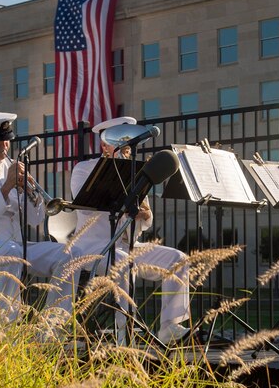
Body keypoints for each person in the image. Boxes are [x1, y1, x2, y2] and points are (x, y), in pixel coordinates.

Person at [69, 116, 191, 344]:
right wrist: (126, 206)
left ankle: (170, 326)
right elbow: (87, 205)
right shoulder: (84, 169)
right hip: (94, 245)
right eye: (120, 141)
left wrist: (144, 216)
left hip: (126, 245)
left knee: (178, 258)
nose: (126, 147)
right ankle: (124, 333)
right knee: (123, 261)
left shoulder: (137, 170)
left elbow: (145, 219)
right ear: (104, 145)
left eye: (127, 142)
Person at [0, 111, 77, 324]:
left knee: (70, 255)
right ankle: (11, 334)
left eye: (7, 141)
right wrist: (7, 187)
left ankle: (50, 333)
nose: (4, 146)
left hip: (17, 246)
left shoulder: (10, 168)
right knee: (10, 254)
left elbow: (35, 220)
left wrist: (33, 196)